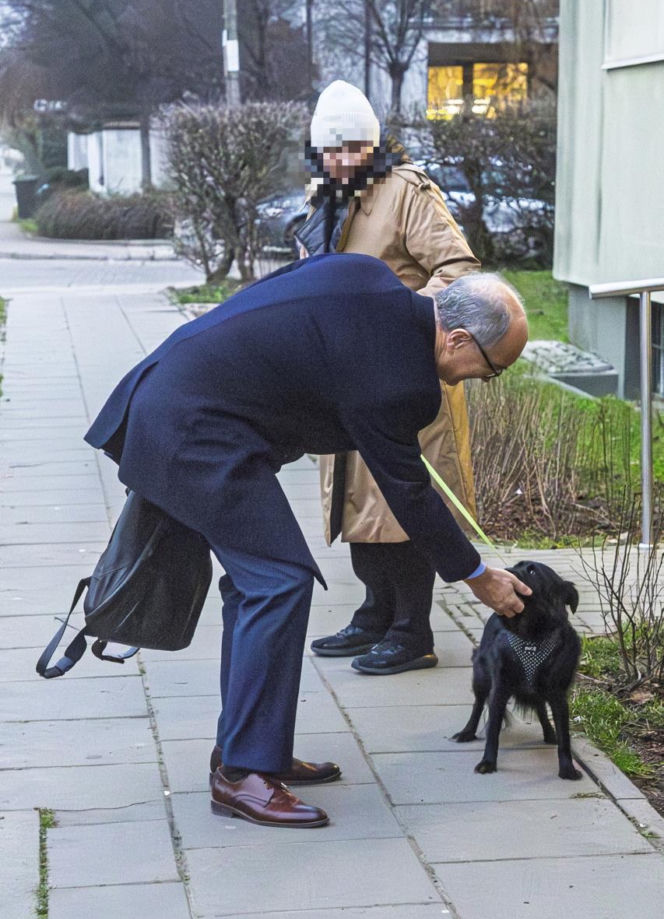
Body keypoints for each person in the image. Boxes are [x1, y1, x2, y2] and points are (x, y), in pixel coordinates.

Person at [85, 253, 531, 829]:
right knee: (277, 582)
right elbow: (410, 492)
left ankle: (248, 749)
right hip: (196, 429)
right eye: (491, 369)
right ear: (459, 340)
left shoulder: (364, 273)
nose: (482, 381)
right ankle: (243, 771)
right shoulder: (403, 379)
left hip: (174, 390)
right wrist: (478, 576)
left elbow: (266, 307)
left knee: (262, 584)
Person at [297, 79, 482, 676]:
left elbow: (457, 270)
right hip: (345, 377)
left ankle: (413, 631)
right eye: (329, 149)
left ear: (371, 145)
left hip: (403, 375)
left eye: (350, 147)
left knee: (404, 508)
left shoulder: (407, 192)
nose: (339, 160)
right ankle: (375, 614)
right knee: (355, 505)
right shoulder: (321, 197)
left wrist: (400, 318)